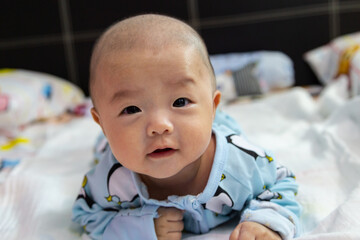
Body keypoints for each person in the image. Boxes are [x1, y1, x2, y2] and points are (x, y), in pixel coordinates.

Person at [72, 14, 301, 240]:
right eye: (131, 109)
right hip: (112, 145)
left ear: (212, 106)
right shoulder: (110, 181)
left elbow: (281, 181)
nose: (159, 126)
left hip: (216, 128)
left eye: (180, 101)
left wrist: (265, 222)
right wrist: (141, 226)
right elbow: (87, 216)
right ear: (101, 123)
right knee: (103, 149)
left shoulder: (239, 163)